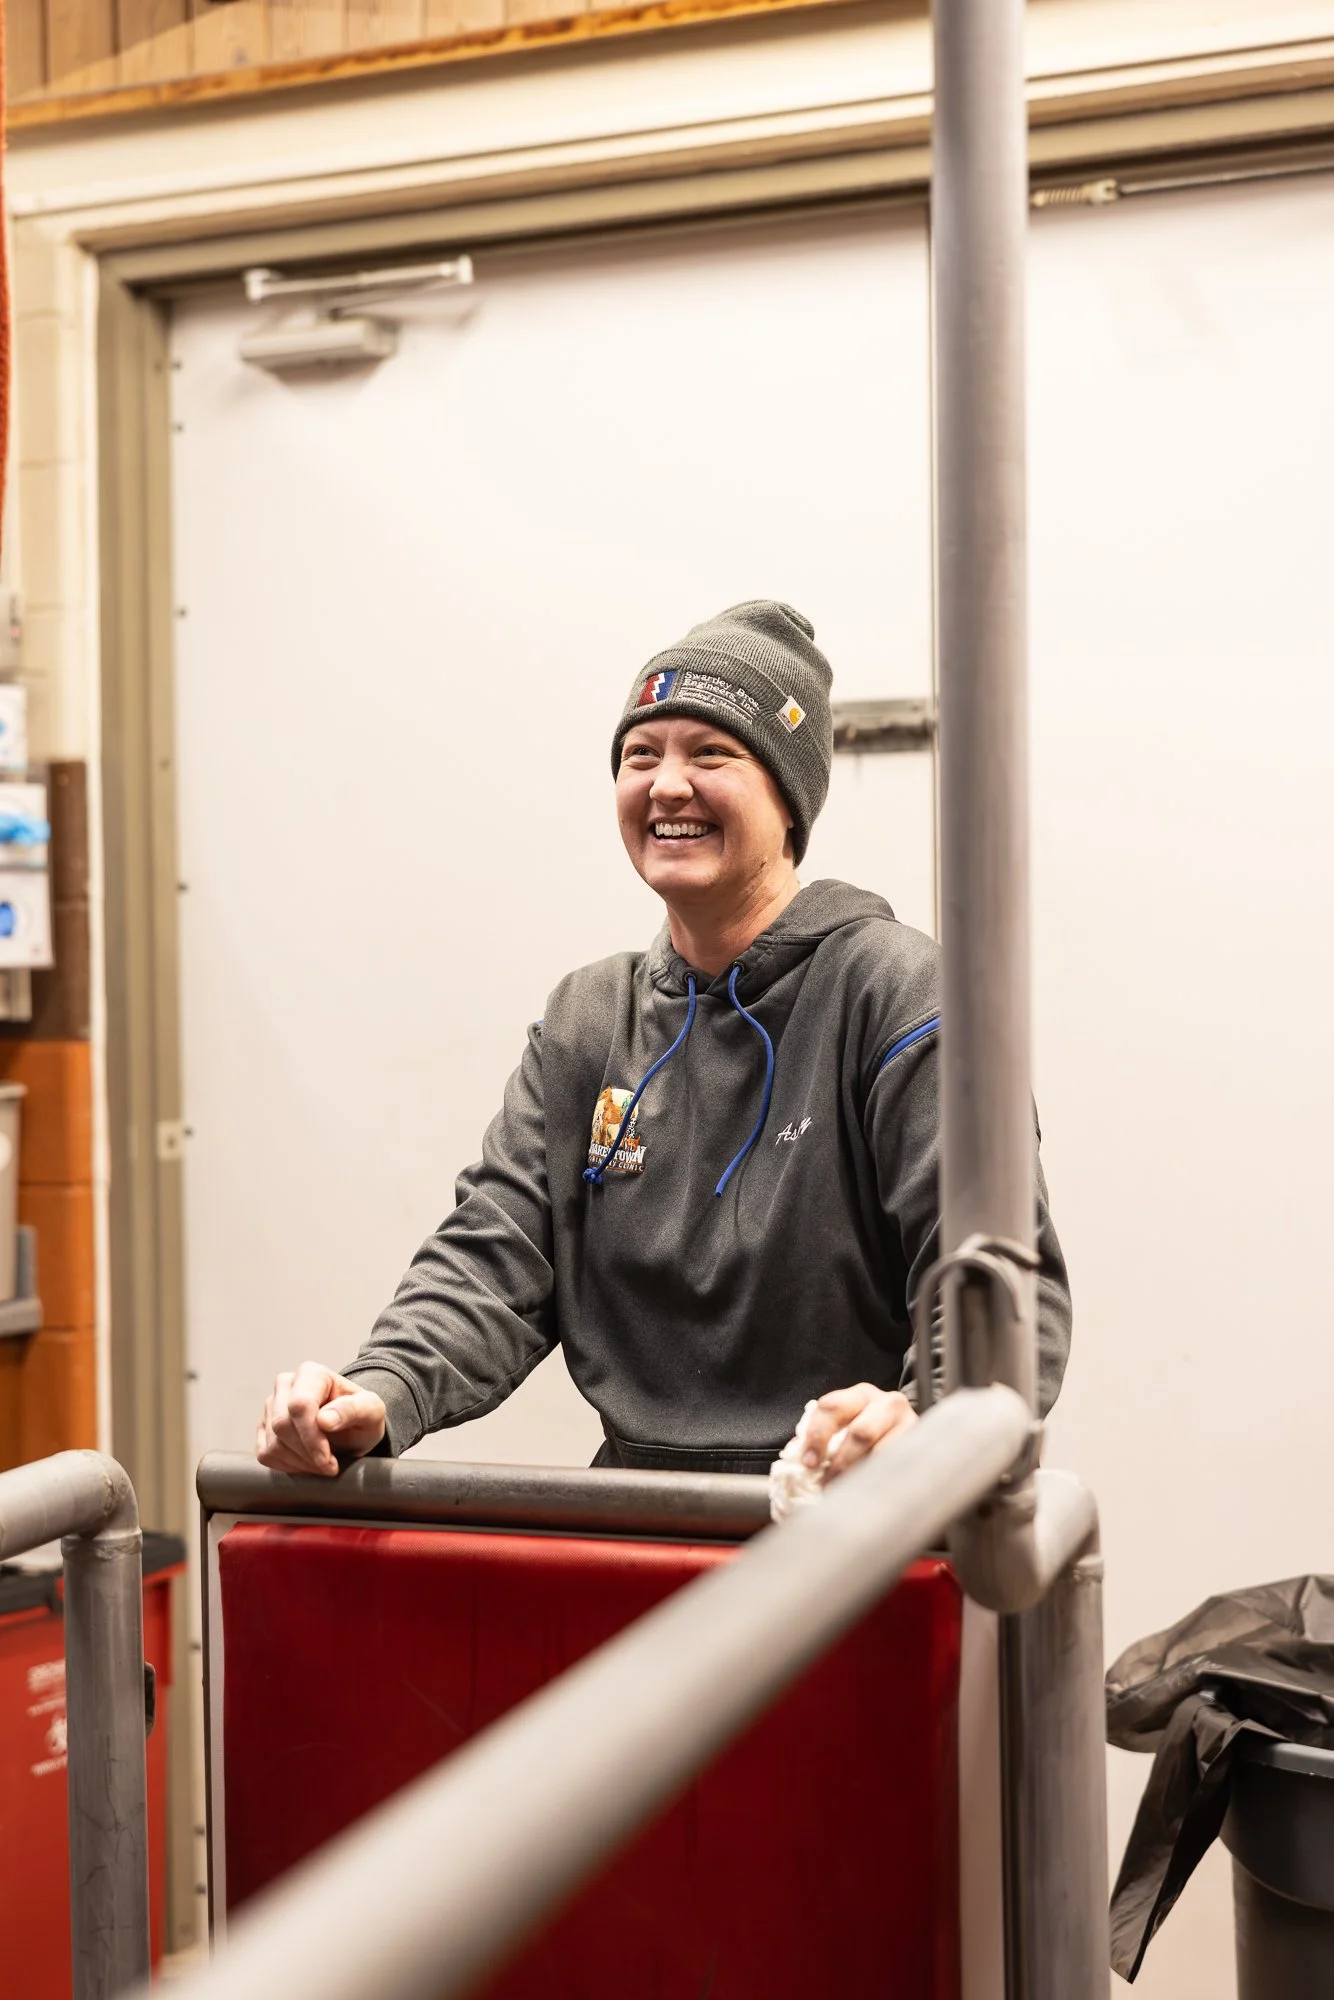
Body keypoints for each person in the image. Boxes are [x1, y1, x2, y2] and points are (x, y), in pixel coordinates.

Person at [257, 601, 1070, 1484]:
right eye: (641, 756)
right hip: (640, 1526)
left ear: (789, 799)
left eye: (711, 754)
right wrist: (379, 1389)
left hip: (852, 1527)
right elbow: (493, 1259)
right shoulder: (589, 1019)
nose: (667, 785)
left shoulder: (897, 992)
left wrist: (929, 1422)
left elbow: (995, 1278)